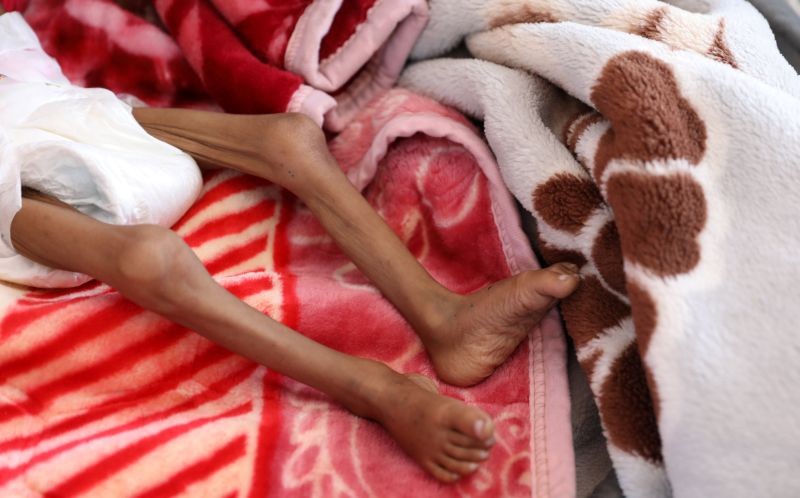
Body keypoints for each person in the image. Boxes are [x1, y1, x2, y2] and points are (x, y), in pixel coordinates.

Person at [1, 12, 580, 483]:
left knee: (290, 139)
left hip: (49, 107)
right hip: (21, 177)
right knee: (147, 259)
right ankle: (372, 388)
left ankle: (445, 316)